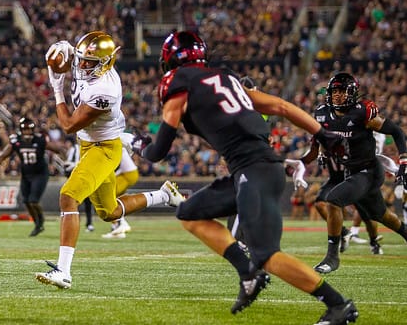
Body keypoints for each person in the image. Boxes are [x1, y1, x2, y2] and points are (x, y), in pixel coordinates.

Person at [134, 31, 357, 324]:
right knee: (189, 213)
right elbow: (281, 106)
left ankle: (338, 304)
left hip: (255, 169)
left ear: (169, 60)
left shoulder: (177, 82)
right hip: (256, 168)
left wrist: (139, 145)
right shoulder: (225, 78)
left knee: (267, 255)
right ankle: (247, 273)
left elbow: (158, 151)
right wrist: (322, 133)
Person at [35, 31, 185, 290]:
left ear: (104, 63)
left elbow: (69, 125)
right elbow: (70, 54)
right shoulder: (89, 61)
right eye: (81, 60)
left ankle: (63, 271)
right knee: (109, 212)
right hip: (89, 143)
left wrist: (57, 90)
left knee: (68, 195)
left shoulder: (105, 90)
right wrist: (61, 52)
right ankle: (163, 196)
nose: (81, 66)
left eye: (89, 63)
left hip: (103, 148)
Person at [302, 73, 407, 274]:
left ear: (351, 93)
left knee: (333, 200)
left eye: (342, 91)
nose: (338, 95)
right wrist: (322, 153)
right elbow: (322, 138)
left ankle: (332, 257)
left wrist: (403, 161)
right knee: (381, 215)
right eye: (334, 91)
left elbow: (396, 131)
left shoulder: (362, 113)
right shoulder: (322, 114)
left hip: (370, 170)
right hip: (352, 172)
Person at [0, 117, 64, 236]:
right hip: (26, 174)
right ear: (21, 130)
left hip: (40, 174)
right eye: (24, 130)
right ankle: (37, 224)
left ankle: (40, 221)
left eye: (29, 130)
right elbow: (3, 155)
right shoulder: (16, 141)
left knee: (33, 200)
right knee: (26, 201)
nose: (27, 132)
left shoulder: (40, 140)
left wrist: (67, 159)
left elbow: (58, 149)